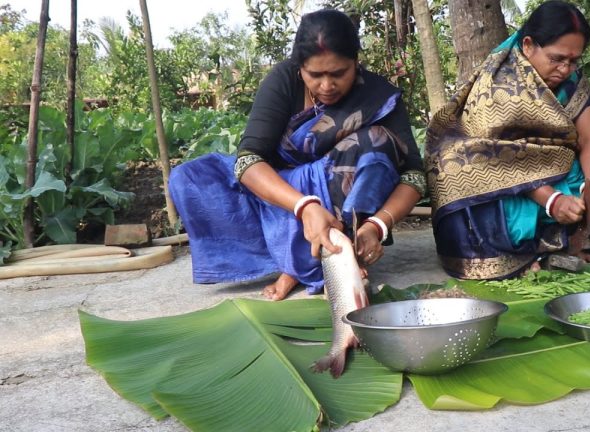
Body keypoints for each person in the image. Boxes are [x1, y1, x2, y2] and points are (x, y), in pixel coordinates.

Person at [169, 9, 426, 300]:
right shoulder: (282, 81)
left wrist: (377, 225)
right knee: (189, 178)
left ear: (356, 62)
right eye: (315, 75)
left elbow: (413, 175)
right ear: (299, 66)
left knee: (375, 142)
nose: (326, 85)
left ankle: (337, 255)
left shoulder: (378, 96)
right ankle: (296, 261)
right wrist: (305, 206)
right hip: (283, 196)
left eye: (339, 73)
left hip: (341, 194)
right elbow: (249, 160)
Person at [424, 1, 590, 280]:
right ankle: (532, 251)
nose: (565, 69)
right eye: (556, 59)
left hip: (553, 169)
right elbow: (493, 159)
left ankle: (577, 240)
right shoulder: (499, 81)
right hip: (498, 182)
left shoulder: (569, 77)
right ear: (529, 45)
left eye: (573, 60)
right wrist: (552, 199)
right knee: (466, 180)